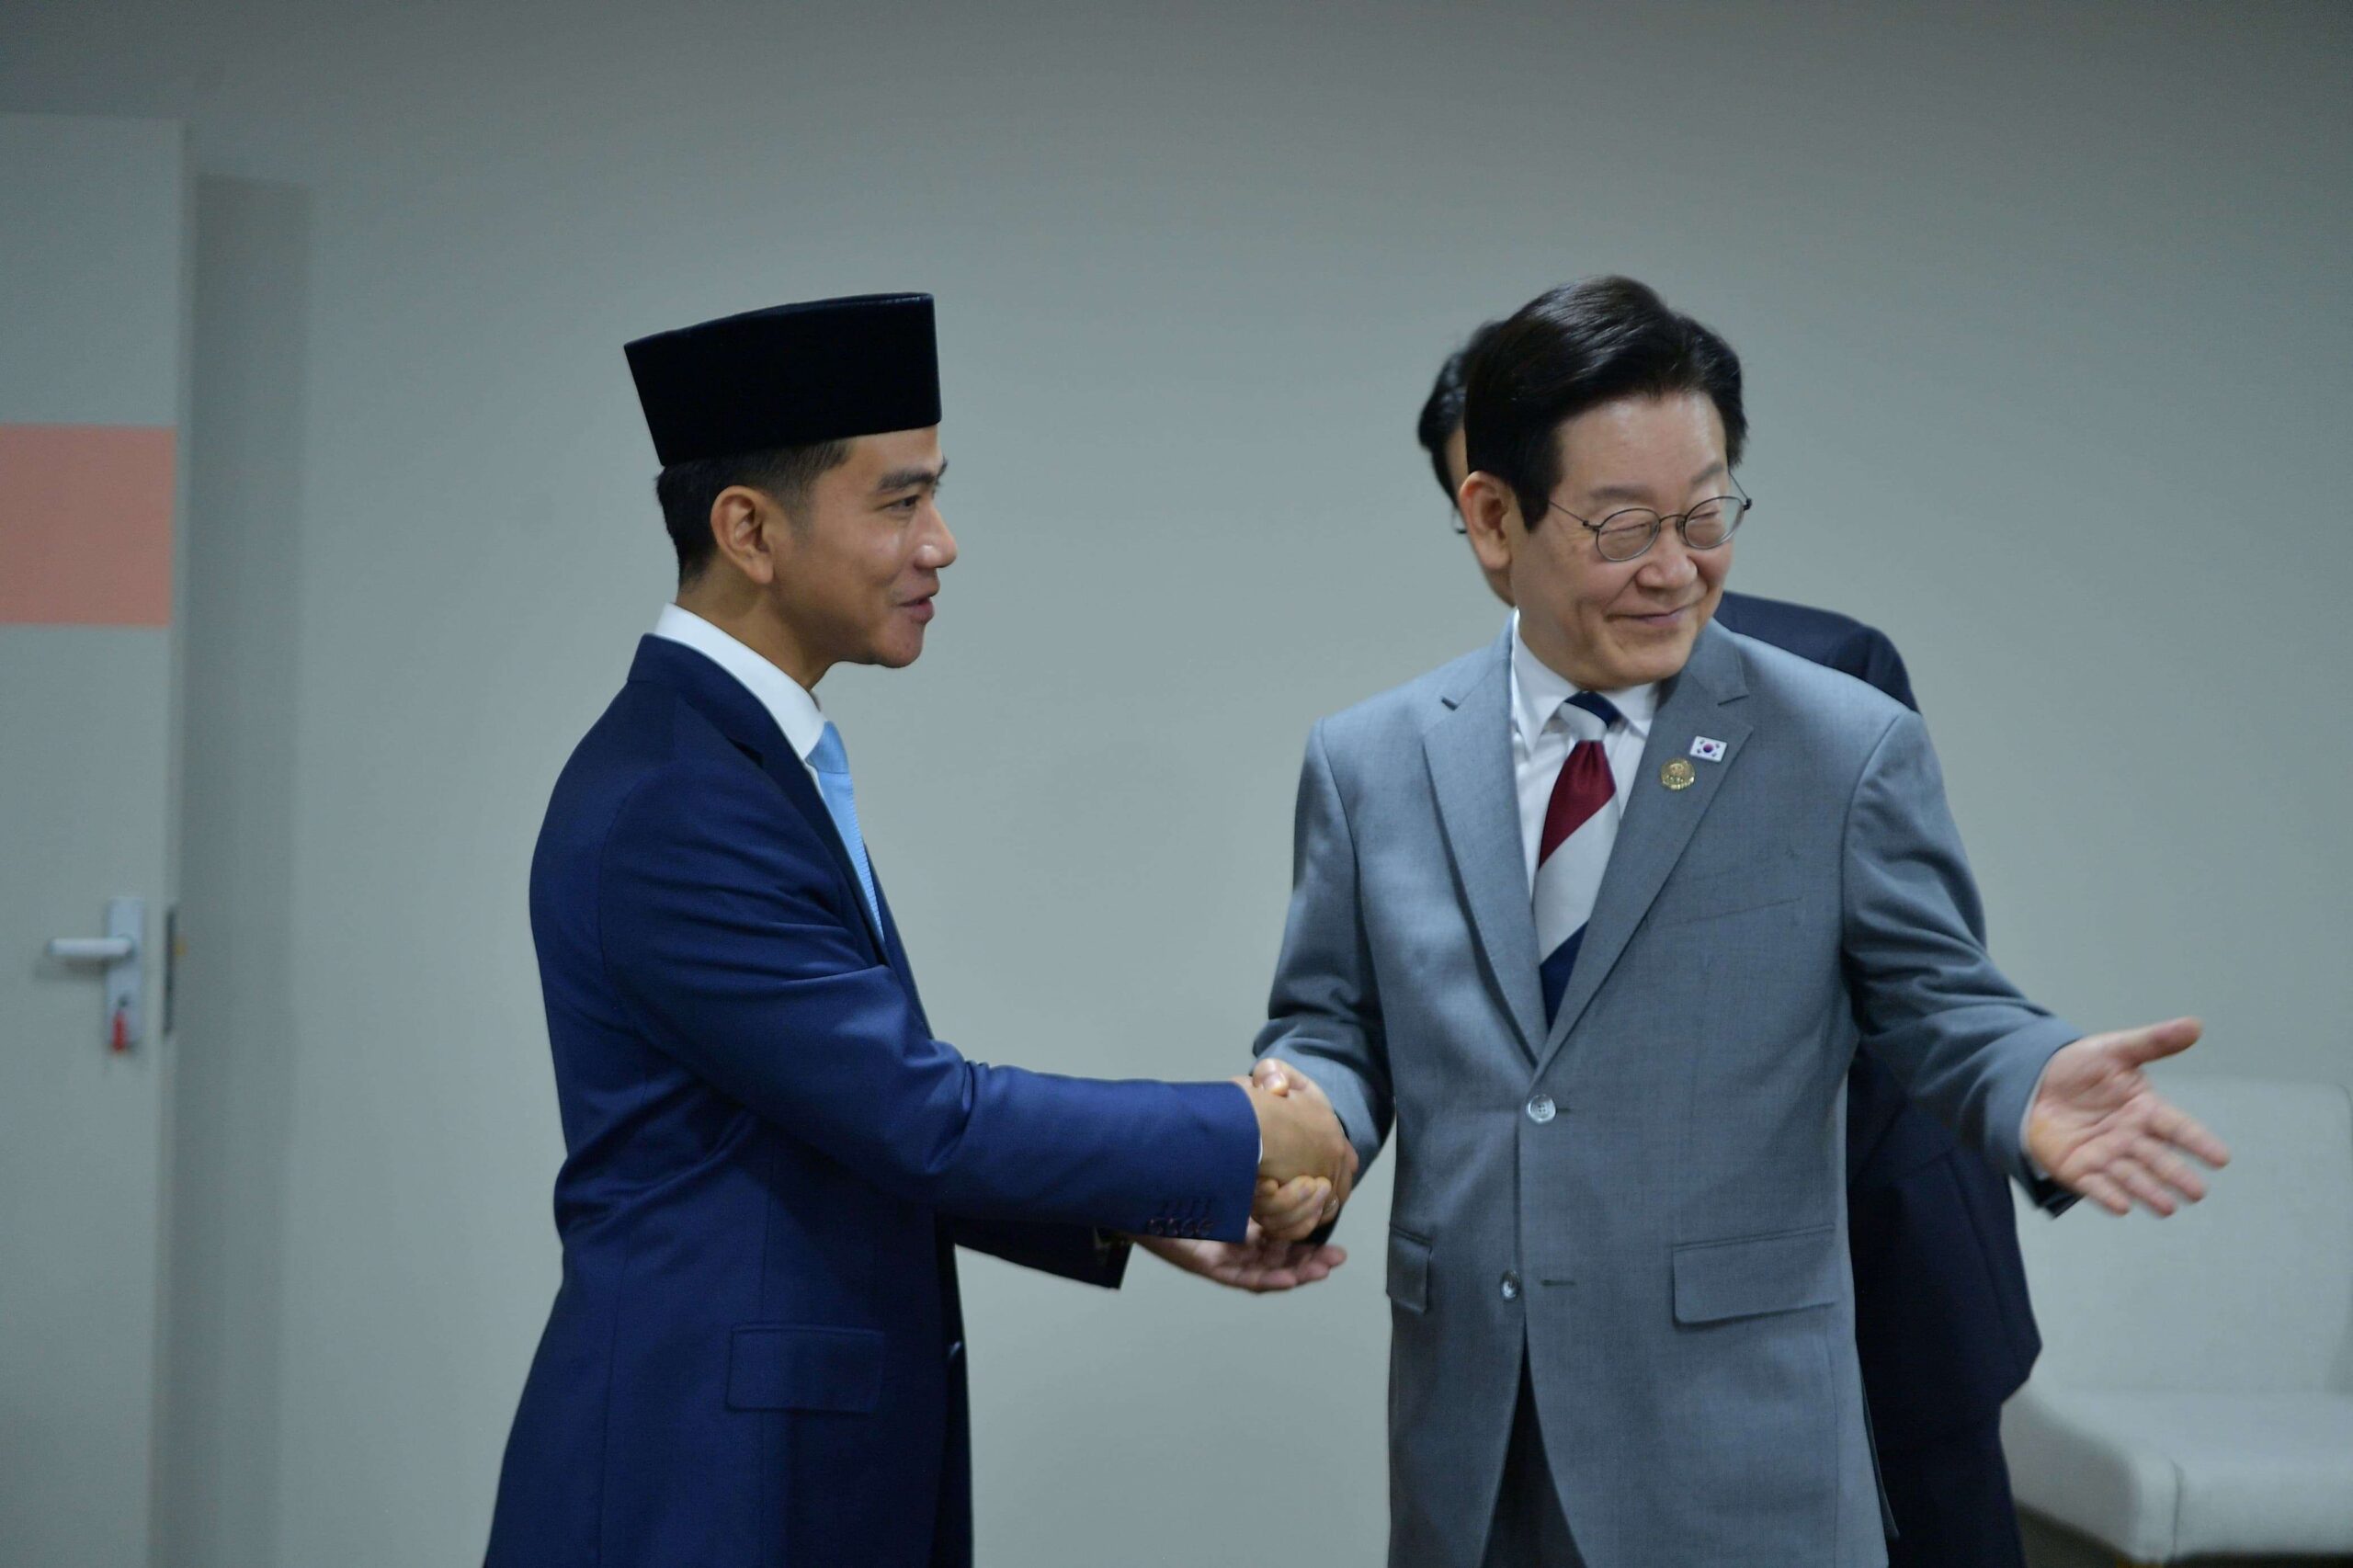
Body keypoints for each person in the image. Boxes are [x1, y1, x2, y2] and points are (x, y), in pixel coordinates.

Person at [1248, 277, 2227, 1566]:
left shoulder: (1841, 745)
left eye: (1707, 514)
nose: (1678, 566)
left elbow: (1943, 1000)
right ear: (1492, 518)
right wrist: (1287, 1143)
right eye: (1622, 526)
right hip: (1477, 1439)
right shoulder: (1370, 760)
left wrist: (2026, 1074)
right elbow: (1335, 1022)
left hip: (1738, 1443)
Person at [483, 293, 1352, 1568]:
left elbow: (828, 1116)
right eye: (898, 502)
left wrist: (1135, 1209)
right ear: (749, 529)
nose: (941, 543)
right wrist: (1245, 1130)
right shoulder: (676, 798)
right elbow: (920, 1116)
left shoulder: (729, 760)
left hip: (766, 1465)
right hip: (699, 1491)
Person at [1416, 324, 2045, 1567]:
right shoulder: (1461, 740)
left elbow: (1923, 988)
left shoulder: (1825, 676)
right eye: (1475, 511)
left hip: (1872, 1257)